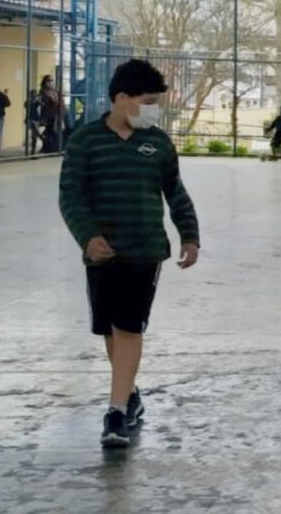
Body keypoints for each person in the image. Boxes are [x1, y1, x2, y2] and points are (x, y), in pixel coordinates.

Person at [59, 59, 200, 448]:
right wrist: (87, 238)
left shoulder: (158, 144)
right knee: (109, 329)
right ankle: (130, 394)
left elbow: (176, 193)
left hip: (145, 251)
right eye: (149, 101)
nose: (154, 110)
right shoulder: (85, 141)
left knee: (128, 327)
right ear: (122, 98)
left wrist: (190, 235)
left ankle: (116, 412)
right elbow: (71, 196)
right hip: (102, 256)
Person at [38, 75, 62, 154]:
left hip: (55, 115)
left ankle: (50, 148)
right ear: (45, 82)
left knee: (52, 132)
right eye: (49, 81)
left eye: (52, 81)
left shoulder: (55, 92)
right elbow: (43, 103)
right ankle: (47, 148)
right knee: (48, 132)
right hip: (47, 115)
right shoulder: (43, 92)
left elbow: (59, 102)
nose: (51, 83)